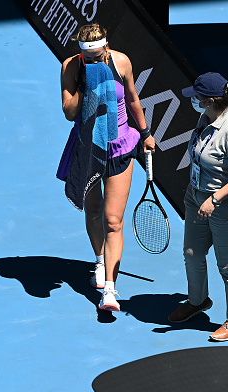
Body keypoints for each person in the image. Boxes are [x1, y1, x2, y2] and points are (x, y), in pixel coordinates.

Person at [60, 23, 156, 312]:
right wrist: (86, 82)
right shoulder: (71, 67)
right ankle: (100, 262)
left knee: (113, 221)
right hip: (88, 146)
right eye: (88, 57)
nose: (95, 61)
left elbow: (132, 99)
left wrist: (146, 132)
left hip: (120, 145)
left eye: (98, 56)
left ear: (106, 47)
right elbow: (68, 112)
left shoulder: (122, 61)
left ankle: (110, 291)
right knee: (93, 211)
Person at [168, 72, 228, 341]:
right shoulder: (205, 118)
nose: (194, 101)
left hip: (225, 205)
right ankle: (198, 300)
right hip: (196, 198)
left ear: (212, 100)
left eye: (198, 98)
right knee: (192, 253)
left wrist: (215, 199)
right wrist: (199, 194)